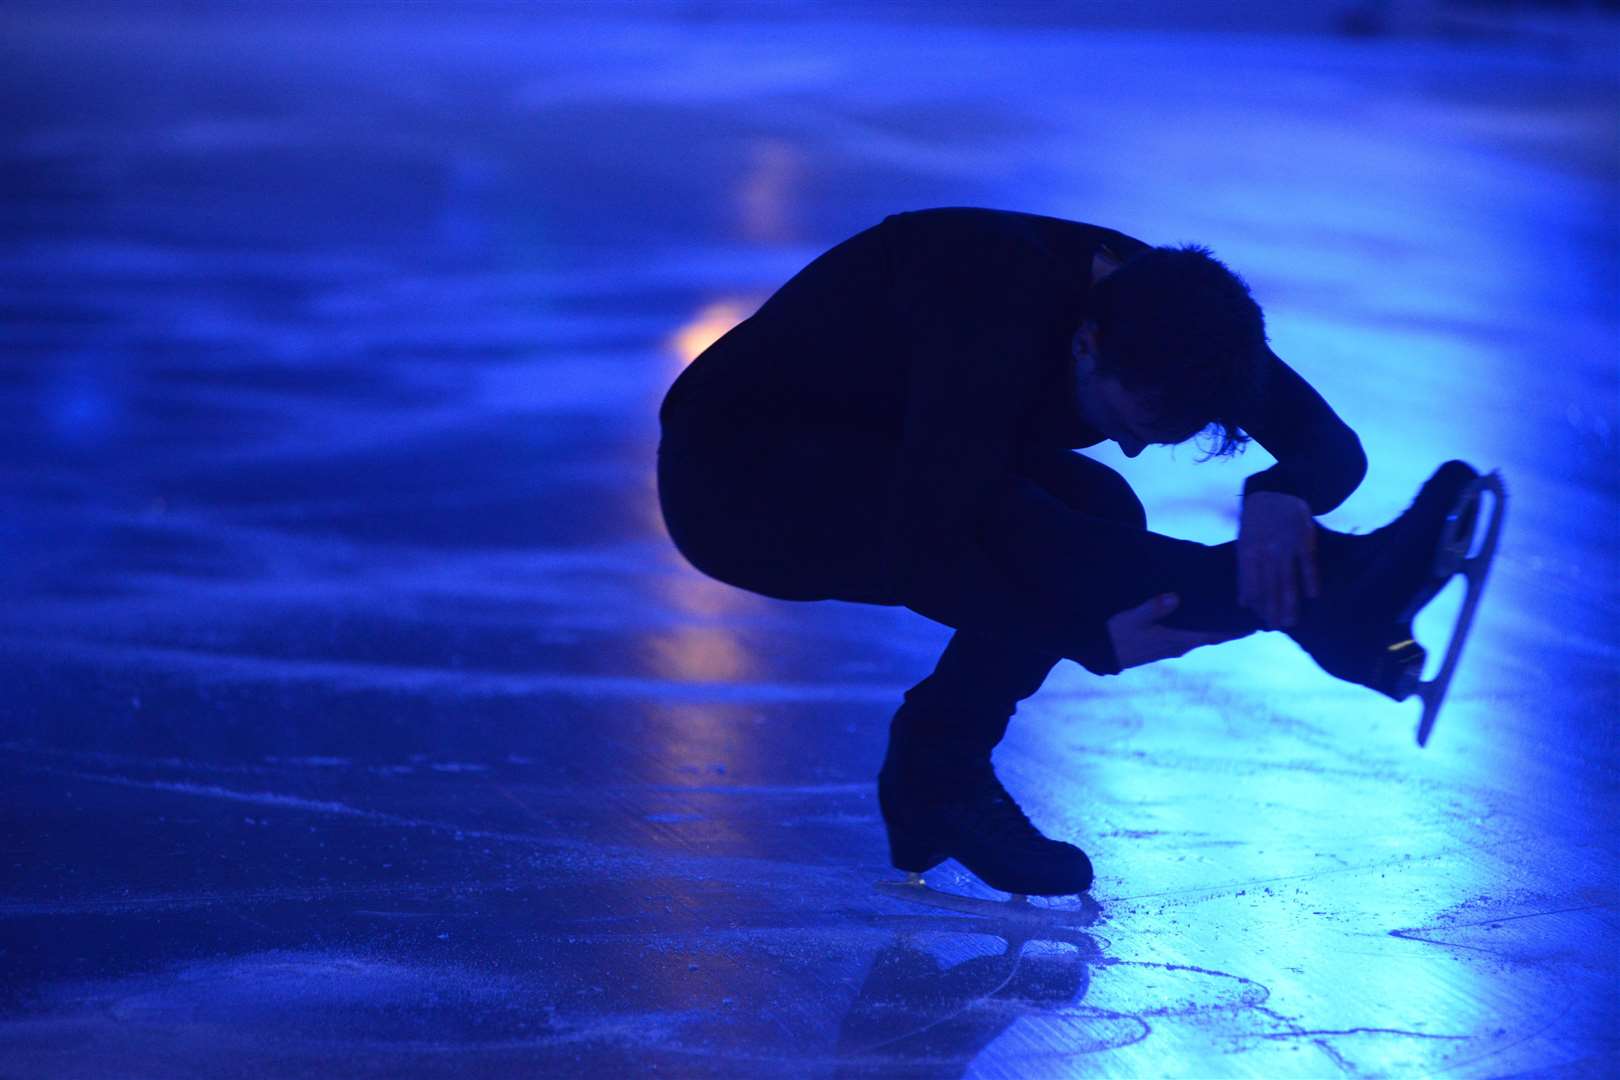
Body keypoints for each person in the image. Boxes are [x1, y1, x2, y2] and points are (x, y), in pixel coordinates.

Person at [656, 206, 1487, 896]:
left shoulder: (1172, 312)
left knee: (1095, 500)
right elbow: (924, 549)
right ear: (1086, 345)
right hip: (738, 480)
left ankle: (937, 775)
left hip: (884, 443)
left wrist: (1281, 490)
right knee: (1032, 522)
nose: (1129, 446)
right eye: (1127, 425)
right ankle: (1334, 603)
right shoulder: (988, 305)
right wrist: (1086, 636)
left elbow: (1328, 443)